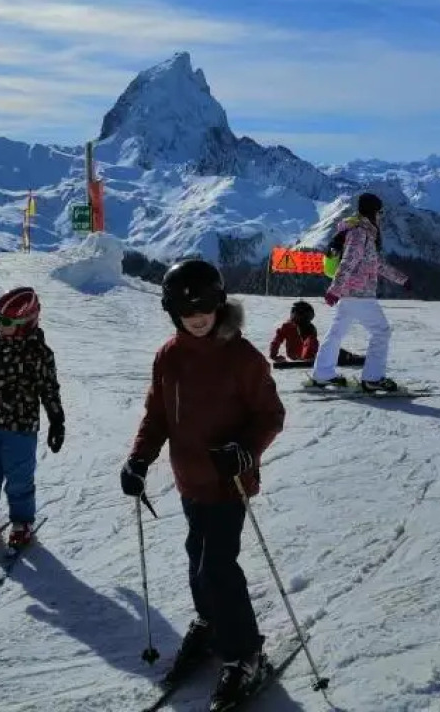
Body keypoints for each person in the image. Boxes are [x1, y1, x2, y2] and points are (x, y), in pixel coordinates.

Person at [120, 258, 286, 708]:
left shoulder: (243, 357)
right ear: (172, 312)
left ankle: (243, 651)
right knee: (198, 558)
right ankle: (213, 622)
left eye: (206, 308)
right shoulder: (169, 357)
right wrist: (139, 458)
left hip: (229, 481)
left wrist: (246, 450)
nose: (198, 318)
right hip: (189, 479)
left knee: (217, 566)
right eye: (187, 311)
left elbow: (271, 416)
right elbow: (157, 417)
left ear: (219, 303)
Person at [0, 286, 64, 549]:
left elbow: (49, 389)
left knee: (19, 480)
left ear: (25, 322)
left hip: (22, 429)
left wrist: (56, 421)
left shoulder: (40, 353)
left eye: (5, 321)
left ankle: (22, 522)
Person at [305, 192, 412, 393]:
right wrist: (334, 290)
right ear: (373, 211)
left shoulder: (363, 232)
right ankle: (372, 378)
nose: (381, 216)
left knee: (336, 333)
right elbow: (348, 261)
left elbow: (376, 264)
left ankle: (323, 374)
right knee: (381, 332)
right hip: (359, 293)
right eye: (380, 211)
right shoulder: (360, 233)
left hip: (350, 293)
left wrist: (401, 278)